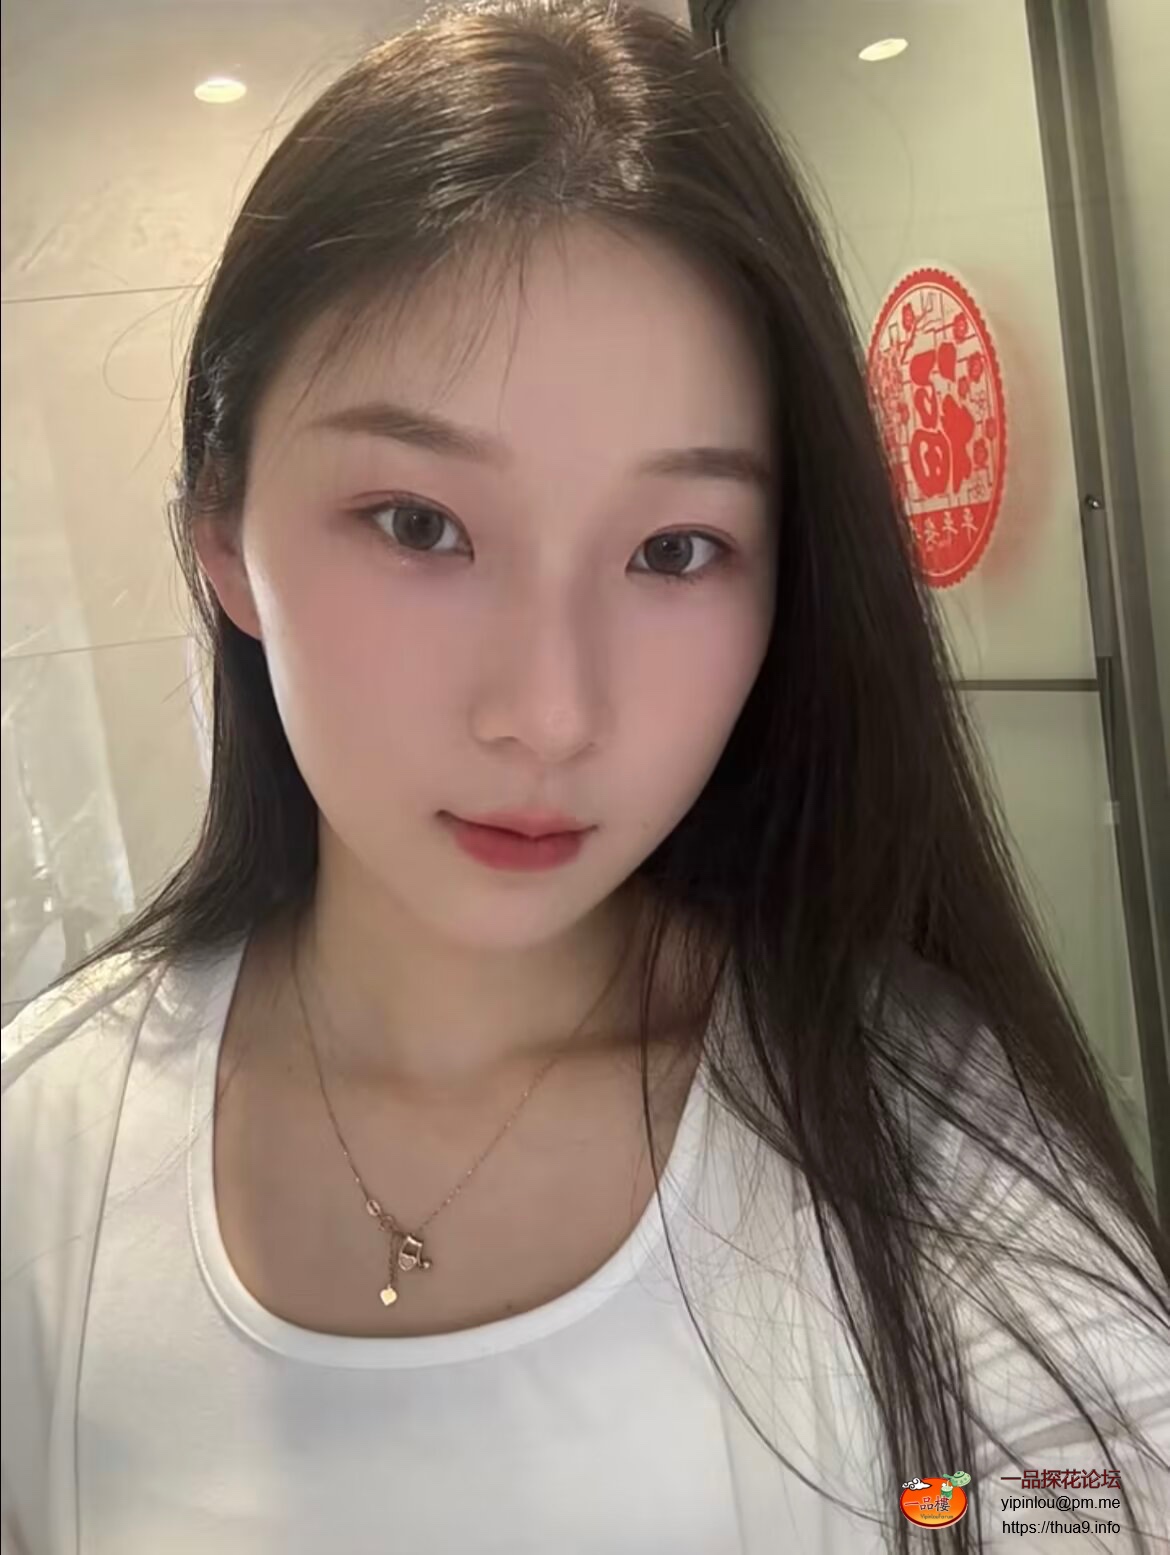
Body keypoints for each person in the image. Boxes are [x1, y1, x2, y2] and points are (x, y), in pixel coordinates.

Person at [2, 1, 1167, 1551]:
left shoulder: (928, 1148)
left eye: (674, 550)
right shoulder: (44, 1166)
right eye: (419, 524)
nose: (549, 713)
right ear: (221, 530)